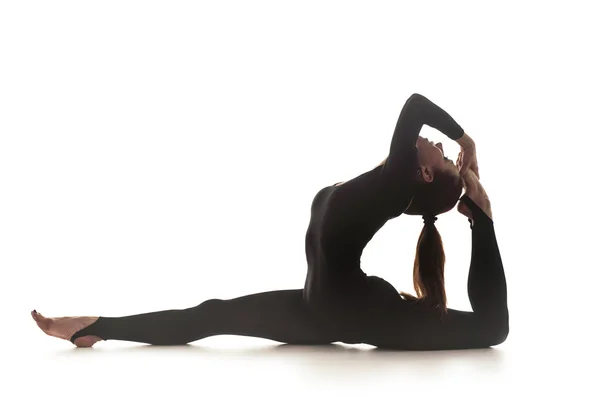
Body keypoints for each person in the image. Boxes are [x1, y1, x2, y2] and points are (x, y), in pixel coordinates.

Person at [31, 93, 508, 350]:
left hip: (364, 314)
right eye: (445, 150)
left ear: (421, 173)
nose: (439, 146)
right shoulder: (384, 183)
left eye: (443, 156)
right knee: (211, 313)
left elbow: (414, 105)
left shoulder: (397, 182)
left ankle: (480, 215)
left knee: (491, 329)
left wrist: (466, 140)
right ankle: (95, 326)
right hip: (319, 309)